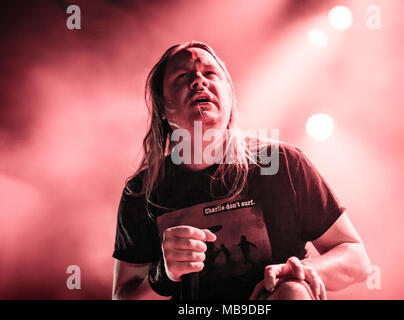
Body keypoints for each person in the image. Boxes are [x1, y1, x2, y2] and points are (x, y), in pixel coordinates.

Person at [112, 41, 371, 300]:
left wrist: (299, 272)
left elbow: (356, 258)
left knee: (293, 292)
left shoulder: (282, 163)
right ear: (164, 109)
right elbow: (123, 295)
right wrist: (163, 276)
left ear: (229, 96)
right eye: (182, 76)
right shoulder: (142, 191)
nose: (199, 81)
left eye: (210, 73)